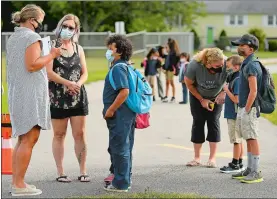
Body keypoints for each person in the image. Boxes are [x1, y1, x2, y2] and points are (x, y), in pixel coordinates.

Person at [6, 4, 61, 196]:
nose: (40, 25)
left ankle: (17, 182)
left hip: (18, 92)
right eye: (40, 21)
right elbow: (32, 65)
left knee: (23, 139)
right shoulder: (31, 37)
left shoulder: (14, 37)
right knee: (29, 138)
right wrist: (52, 55)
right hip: (29, 93)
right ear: (32, 20)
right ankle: (19, 185)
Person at [46, 14, 90, 183]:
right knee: (59, 134)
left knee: (80, 134)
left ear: (76, 30)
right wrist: (67, 83)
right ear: (60, 27)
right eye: (65, 26)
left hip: (77, 96)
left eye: (71, 27)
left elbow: (85, 72)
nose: (67, 30)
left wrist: (77, 84)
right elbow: (49, 72)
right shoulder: (52, 47)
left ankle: (83, 170)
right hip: (58, 96)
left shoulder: (79, 49)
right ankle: (60, 172)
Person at [184, 48, 232, 168]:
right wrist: (201, 99)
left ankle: (212, 158)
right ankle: (197, 158)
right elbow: (188, 83)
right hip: (197, 96)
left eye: (222, 64)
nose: (221, 67)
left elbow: (233, 80)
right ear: (207, 63)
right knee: (198, 122)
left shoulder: (227, 63)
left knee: (213, 122)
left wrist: (223, 93)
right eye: (217, 66)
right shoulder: (194, 65)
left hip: (217, 96)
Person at [103, 34, 136, 192]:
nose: (108, 52)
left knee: (119, 147)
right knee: (125, 147)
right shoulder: (124, 66)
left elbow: (124, 92)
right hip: (126, 113)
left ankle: (120, 183)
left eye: (111, 49)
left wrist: (110, 110)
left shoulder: (118, 68)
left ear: (120, 51)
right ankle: (124, 178)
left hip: (119, 114)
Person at [231, 34, 263, 183]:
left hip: (249, 107)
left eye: (242, 45)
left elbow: (254, 90)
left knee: (252, 138)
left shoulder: (251, 65)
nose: (239, 47)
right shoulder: (247, 62)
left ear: (250, 48)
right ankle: (250, 169)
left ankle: (256, 172)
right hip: (245, 106)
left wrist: (247, 109)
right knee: (248, 138)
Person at [220, 55, 244, 173]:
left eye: (228, 66)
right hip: (233, 114)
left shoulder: (238, 79)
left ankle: (235, 164)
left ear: (236, 67)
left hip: (234, 114)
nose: (227, 69)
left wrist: (226, 89)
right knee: (238, 139)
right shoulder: (235, 77)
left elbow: (237, 100)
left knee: (236, 140)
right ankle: (239, 162)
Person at [162, 38, 180, 103]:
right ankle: (166, 96)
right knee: (167, 82)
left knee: (171, 82)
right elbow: (166, 60)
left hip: (171, 70)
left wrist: (174, 68)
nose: (166, 47)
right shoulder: (169, 53)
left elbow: (174, 62)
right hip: (167, 69)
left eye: (167, 46)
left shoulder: (174, 53)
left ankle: (173, 97)